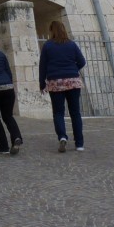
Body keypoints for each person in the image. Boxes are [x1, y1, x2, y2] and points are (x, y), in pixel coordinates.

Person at [38, 20, 86, 152]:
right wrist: (72, 69)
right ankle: (79, 143)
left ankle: (62, 137)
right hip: (72, 81)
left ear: (52, 31)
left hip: (56, 82)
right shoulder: (71, 44)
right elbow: (82, 61)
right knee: (75, 112)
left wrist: (42, 83)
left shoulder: (47, 46)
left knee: (58, 112)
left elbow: (42, 66)